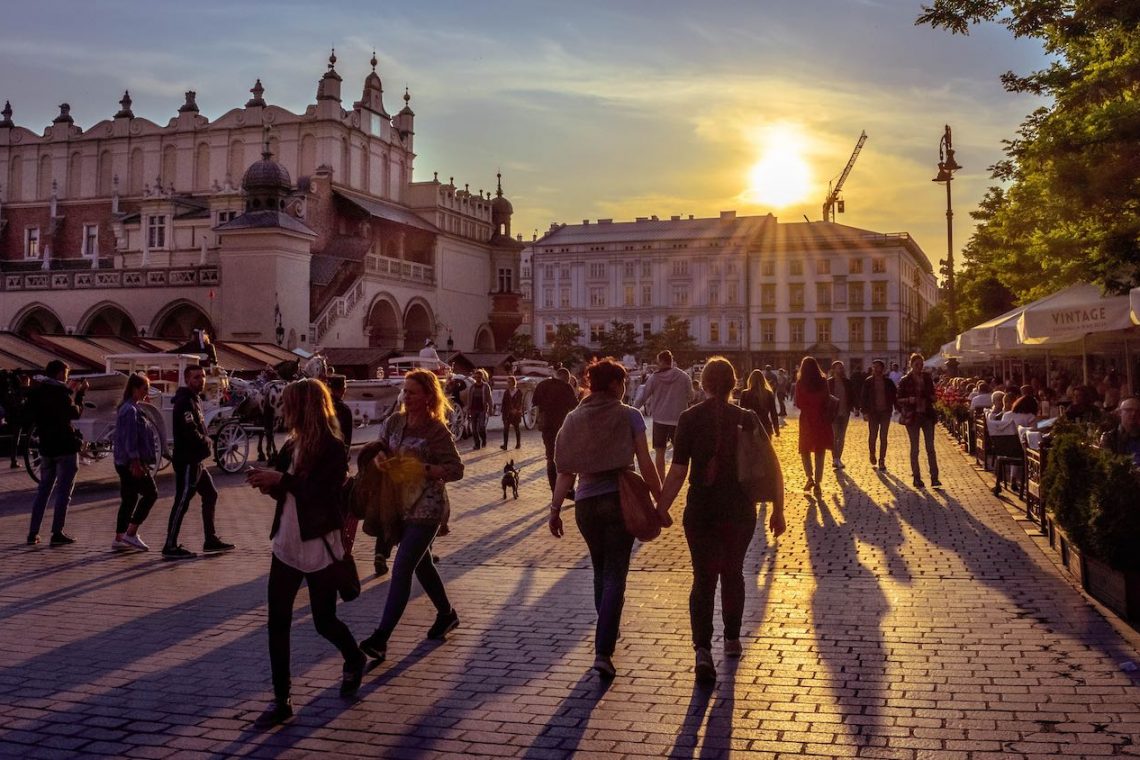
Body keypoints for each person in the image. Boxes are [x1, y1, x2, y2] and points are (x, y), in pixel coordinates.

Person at [657, 357, 785, 684]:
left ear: (704, 383)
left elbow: (678, 471)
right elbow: (773, 466)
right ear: (733, 384)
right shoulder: (747, 418)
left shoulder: (689, 419)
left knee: (703, 579)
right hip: (739, 511)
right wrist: (778, 510)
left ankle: (702, 650)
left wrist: (660, 507)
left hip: (700, 510)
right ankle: (731, 638)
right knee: (733, 574)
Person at [245, 379, 365, 727]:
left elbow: (320, 493)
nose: (283, 410)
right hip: (286, 542)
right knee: (277, 622)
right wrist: (267, 482)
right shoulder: (291, 443)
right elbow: (286, 489)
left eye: (288, 404)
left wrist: (280, 480)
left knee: (323, 620)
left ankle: (354, 656)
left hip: (318, 544)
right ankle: (281, 699)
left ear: (304, 406)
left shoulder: (332, 447)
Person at [549, 358, 662, 679]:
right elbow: (645, 462)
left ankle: (605, 630)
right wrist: (660, 501)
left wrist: (555, 510)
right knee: (615, 574)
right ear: (614, 385)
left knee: (600, 569)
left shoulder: (573, 418)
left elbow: (564, 471)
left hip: (585, 504)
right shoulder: (629, 415)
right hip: (619, 500)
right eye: (623, 383)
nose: (625, 389)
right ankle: (604, 649)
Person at [359, 369, 465, 662]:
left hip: (427, 506)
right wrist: (379, 458)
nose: (406, 397)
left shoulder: (436, 430)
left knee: (403, 566)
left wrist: (425, 469)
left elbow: (456, 469)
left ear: (428, 397)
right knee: (422, 564)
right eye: (404, 391)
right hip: (396, 504)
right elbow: (377, 446)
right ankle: (447, 614)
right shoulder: (395, 421)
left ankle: (380, 638)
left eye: (412, 392)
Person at [162, 364, 234, 560]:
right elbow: (190, 430)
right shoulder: (184, 402)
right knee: (182, 501)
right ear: (187, 380)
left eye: (202, 376)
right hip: (187, 460)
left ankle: (210, 539)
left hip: (197, 460)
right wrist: (206, 441)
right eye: (196, 377)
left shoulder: (195, 400)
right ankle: (170, 545)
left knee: (210, 494)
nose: (201, 380)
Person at [26, 360, 87, 546]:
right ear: (60, 373)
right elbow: (74, 414)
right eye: (66, 373)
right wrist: (80, 395)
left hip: (46, 447)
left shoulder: (37, 392)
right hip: (65, 447)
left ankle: (33, 532)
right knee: (63, 492)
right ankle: (57, 532)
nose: (67, 376)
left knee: (43, 491)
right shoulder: (61, 392)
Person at [112, 374, 158, 552]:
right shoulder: (130, 410)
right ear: (134, 389)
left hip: (124, 461)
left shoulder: (129, 408)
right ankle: (131, 533)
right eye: (144, 389)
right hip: (131, 462)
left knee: (129, 498)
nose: (147, 393)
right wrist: (136, 461)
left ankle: (119, 537)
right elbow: (130, 438)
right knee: (151, 494)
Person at [635, 350, 695, 480]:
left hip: (660, 419)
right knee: (678, 453)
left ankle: (661, 480)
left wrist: (632, 409)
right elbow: (691, 397)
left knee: (660, 452)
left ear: (661, 361)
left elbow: (643, 396)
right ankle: (674, 480)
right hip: (678, 419)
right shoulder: (684, 376)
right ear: (671, 361)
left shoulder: (654, 378)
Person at [896, 353, 940, 489]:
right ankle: (917, 478)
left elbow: (933, 394)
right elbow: (898, 399)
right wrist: (909, 400)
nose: (919, 367)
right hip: (913, 417)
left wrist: (932, 397)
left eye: (921, 365)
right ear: (911, 365)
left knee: (930, 448)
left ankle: (934, 478)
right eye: (917, 365)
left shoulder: (927, 378)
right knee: (915, 449)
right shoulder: (905, 380)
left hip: (927, 415)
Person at [532, 367, 579, 494]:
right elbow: (575, 407)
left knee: (550, 458)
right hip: (563, 427)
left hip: (546, 427)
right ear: (567, 378)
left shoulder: (542, 385)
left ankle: (554, 491)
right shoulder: (566, 387)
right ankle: (568, 488)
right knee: (570, 457)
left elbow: (535, 404)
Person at [794, 357, 833, 496]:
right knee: (820, 451)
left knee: (804, 449)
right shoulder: (823, 382)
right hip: (821, 419)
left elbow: (798, 403)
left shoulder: (800, 383)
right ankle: (818, 483)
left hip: (806, 420)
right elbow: (827, 399)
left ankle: (809, 477)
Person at [860, 359, 896, 470]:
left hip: (885, 412)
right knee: (873, 436)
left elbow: (894, 396)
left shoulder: (888, 382)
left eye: (877, 367)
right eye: (874, 367)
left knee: (883, 437)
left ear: (882, 368)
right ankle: (872, 454)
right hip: (873, 412)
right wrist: (864, 412)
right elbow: (864, 397)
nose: (875, 369)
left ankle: (882, 460)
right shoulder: (868, 381)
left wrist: (899, 408)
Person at [827, 361, 855, 469]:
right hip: (834, 414)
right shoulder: (829, 382)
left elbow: (852, 396)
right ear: (834, 369)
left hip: (845, 413)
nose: (841, 370)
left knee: (842, 437)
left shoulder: (847, 382)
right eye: (839, 368)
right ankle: (835, 458)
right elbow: (826, 398)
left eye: (842, 368)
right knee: (834, 436)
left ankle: (838, 458)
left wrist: (855, 408)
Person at [1099, 396, 1140, 466]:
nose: (1133, 414)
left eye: (1137, 411)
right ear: (1120, 413)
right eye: (1129, 410)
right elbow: (1108, 464)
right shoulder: (1110, 438)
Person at [739, 370, 779, 438]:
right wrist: (776, 428)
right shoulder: (768, 394)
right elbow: (773, 413)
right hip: (765, 426)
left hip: (749, 427)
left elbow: (741, 413)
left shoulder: (745, 394)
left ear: (750, 380)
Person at [467, 370, 493, 450]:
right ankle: (477, 444)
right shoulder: (472, 387)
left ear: (482, 377)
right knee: (474, 429)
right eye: (476, 377)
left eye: (479, 377)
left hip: (482, 409)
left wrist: (491, 409)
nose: (477, 378)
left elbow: (489, 398)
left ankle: (484, 439)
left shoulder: (486, 386)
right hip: (473, 409)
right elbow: (469, 399)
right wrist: (468, 409)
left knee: (481, 427)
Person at [327, 375, 353, 449]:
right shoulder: (345, 410)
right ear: (343, 389)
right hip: (338, 451)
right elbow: (347, 436)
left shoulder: (323, 406)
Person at [500, 376, 524, 450]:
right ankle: (505, 445)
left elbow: (520, 402)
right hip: (507, 413)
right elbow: (504, 403)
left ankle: (518, 443)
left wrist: (516, 410)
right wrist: (503, 413)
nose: (508, 383)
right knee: (506, 429)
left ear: (513, 382)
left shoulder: (518, 392)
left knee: (516, 428)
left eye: (509, 382)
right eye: (508, 382)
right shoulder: (506, 392)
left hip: (516, 413)